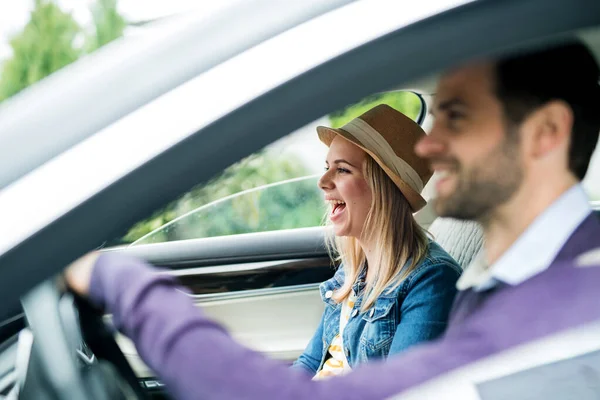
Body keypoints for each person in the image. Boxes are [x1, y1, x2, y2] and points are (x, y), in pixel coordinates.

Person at [65, 41, 600, 399]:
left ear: (546, 131)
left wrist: (122, 281)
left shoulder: (568, 308)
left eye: (456, 117)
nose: (430, 146)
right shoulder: (512, 283)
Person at [293, 105, 460, 378]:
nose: (323, 181)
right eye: (326, 168)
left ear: (382, 187)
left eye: (342, 170)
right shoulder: (354, 269)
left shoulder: (431, 281)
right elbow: (310, 362)